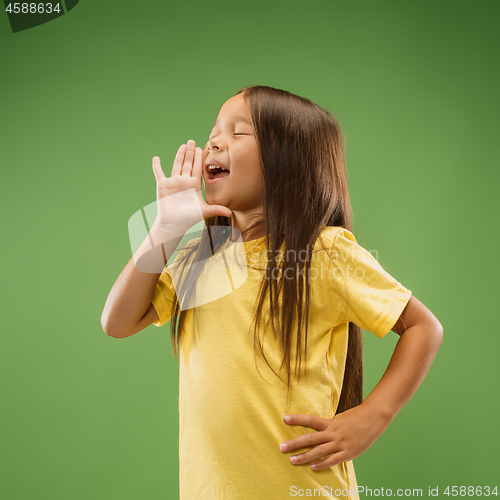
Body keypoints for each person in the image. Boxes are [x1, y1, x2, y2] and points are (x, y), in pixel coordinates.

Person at [101, 85, 443, 500]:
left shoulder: (324, 251)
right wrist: (166, 227)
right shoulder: (202, 257)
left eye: (238, 132)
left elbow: (423, 327)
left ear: (288, 161)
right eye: (213, 131)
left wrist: (373, 415)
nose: (213, 142)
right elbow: (116, 322)